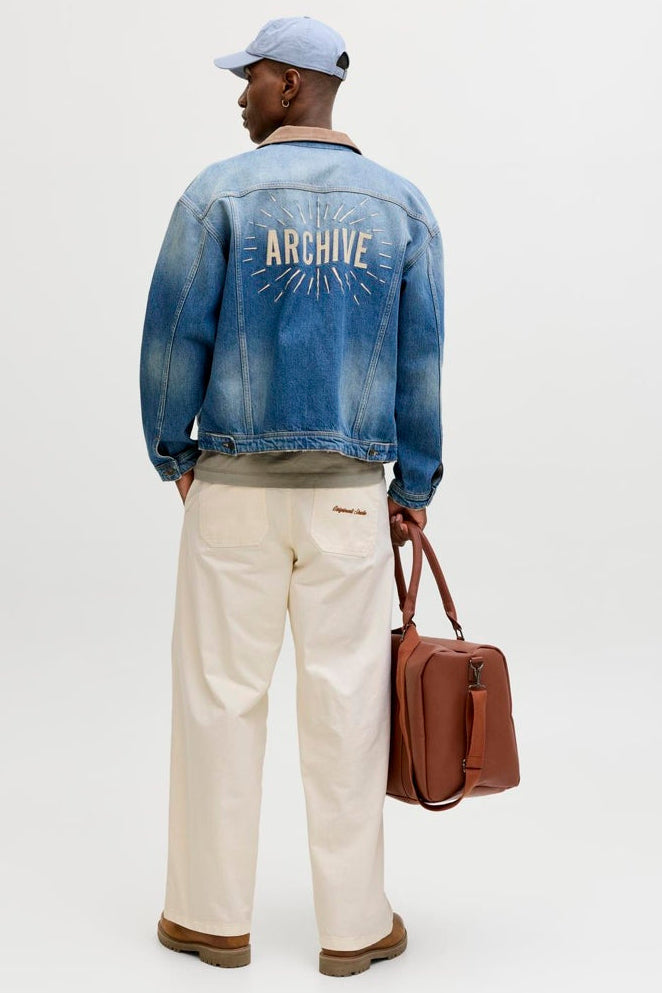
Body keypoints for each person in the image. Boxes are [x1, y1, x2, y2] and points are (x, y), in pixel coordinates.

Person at [139, 15, 445, 978]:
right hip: (350, 501)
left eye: (251, 78)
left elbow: (173, 338)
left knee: (219, 702)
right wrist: (414, 484)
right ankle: (355, 928)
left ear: (288, 84)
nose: (240, 95)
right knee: (349, 707)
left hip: (231, 491)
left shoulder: (216, 195)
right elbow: (421, 362)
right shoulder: (401, 207)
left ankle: (209, 918)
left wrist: (176, 455)